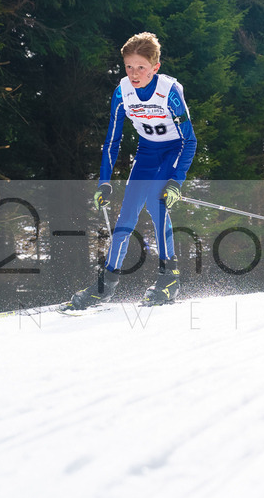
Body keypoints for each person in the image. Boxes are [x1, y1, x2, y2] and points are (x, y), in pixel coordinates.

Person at [69, 32, 197, 308]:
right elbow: (112, 140)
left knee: (156, 203)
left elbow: (190, 140)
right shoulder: (122, 91)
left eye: (141, 67)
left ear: (155, 67)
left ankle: (169, 278)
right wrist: (104, 182)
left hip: (172, 151)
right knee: (125, 217)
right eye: (129, 66)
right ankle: (105, 285)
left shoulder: (170, 91)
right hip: (147, 153)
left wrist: (176, 181)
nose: (134, 73)